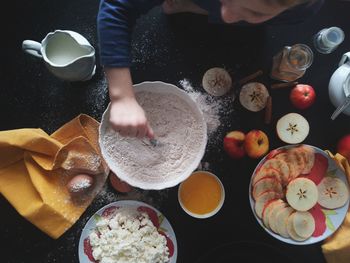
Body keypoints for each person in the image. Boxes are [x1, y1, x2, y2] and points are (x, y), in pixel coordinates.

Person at [97, 0, 324, 138]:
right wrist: (122, 96)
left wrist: (208, 7)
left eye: (255, 12)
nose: (229, 17)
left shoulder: (301, 10)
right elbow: (117, 7)